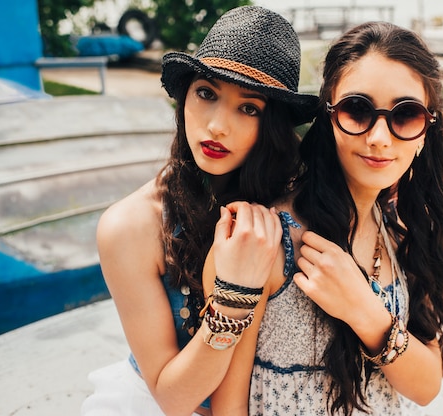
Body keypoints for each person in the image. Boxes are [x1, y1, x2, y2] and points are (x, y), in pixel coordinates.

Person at [207, 21, 443, 415]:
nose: (379, 136)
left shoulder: (401, 229)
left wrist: (364, 311)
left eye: (405, 115)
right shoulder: (267, 242)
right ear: (328, 116)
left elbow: (427, 387)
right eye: (357, 109)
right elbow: (228, 409)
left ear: (426, 129)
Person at [80, 6, 317, 416]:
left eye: (249, 108)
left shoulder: (295, 203)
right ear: (184, 95)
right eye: (206, 93)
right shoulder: (132, 226)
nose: (217, 126)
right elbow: (174, 398)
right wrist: (231, 299)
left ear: (273, 125)